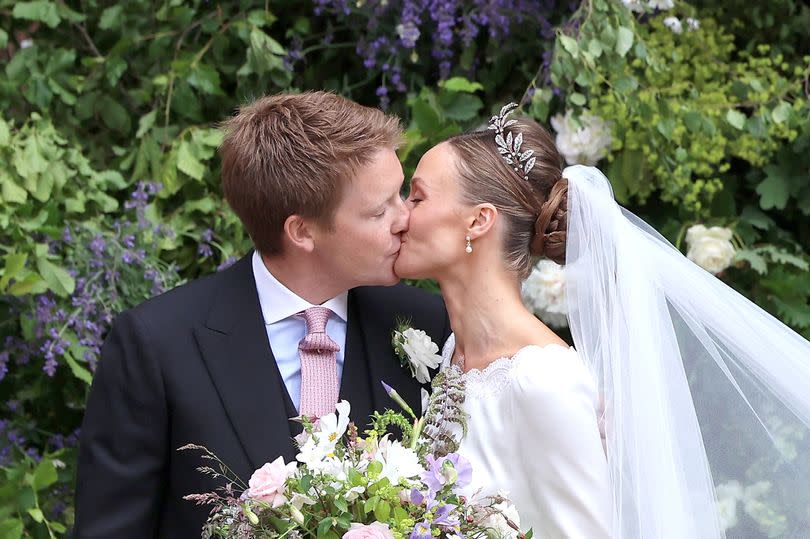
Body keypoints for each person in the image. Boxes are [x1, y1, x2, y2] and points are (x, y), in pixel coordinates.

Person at [395, 103, 810, 538]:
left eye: (417, 197)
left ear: (478, 221)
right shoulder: (450, 358)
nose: (401, 215)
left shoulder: (542, 381)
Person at [74, 92, 450, 538]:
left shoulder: (427, 326)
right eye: (379, 209)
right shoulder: (156, 346)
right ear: (302, 231)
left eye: (401, 196)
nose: (405, 219)